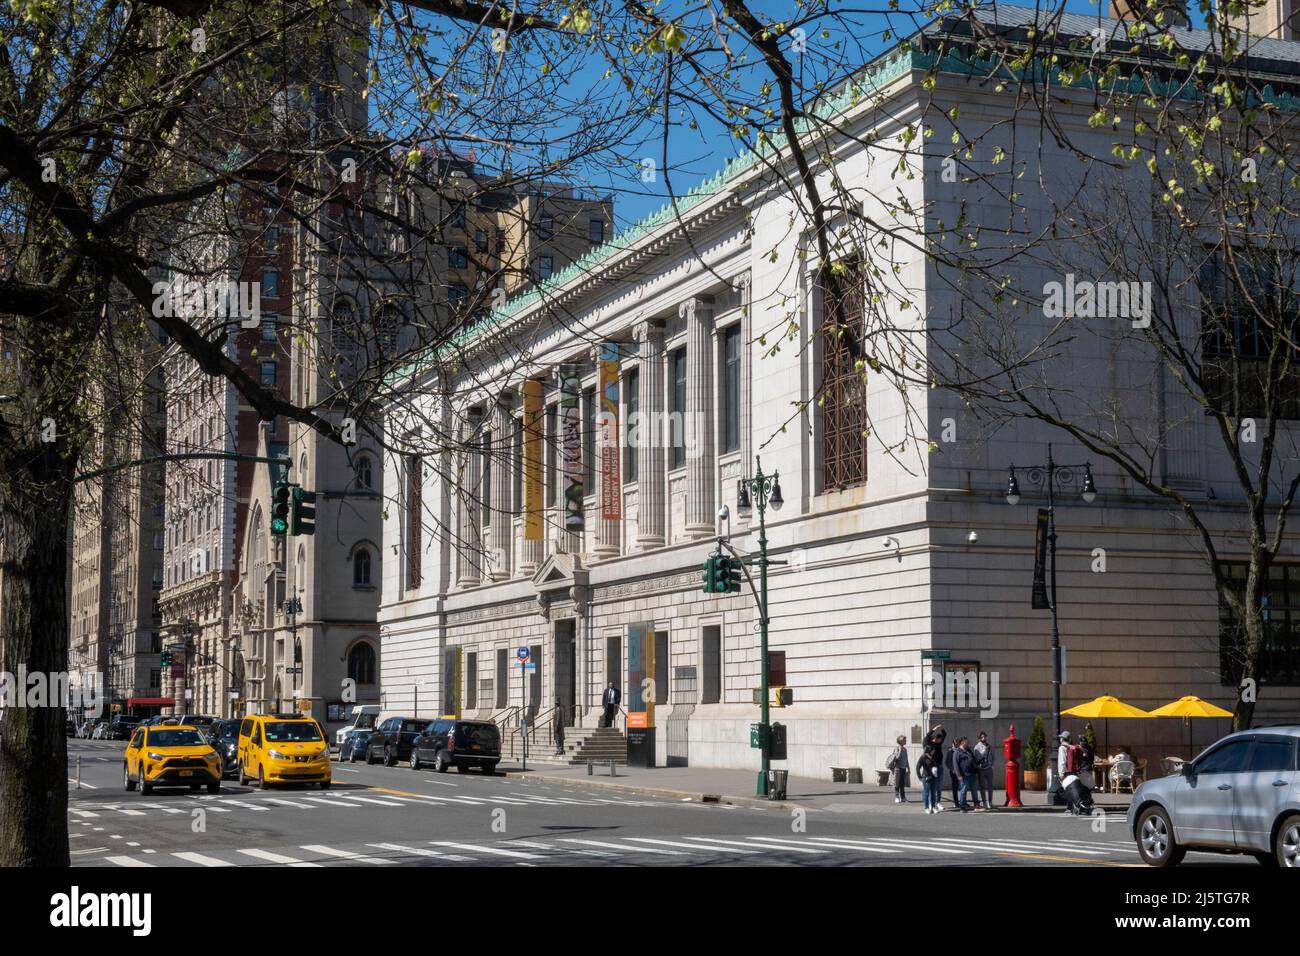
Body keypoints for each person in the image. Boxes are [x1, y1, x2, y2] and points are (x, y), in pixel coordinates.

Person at [923, 724, 947, 809]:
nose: (940, 741)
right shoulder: (930, 744)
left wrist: (942, 729)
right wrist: (934, 729)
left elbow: (945, 735)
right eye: (939, 739)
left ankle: (938, 802)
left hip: (939, 766)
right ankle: (930, 803)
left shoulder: (939, 744)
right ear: (935, 739)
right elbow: (927, 737)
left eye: (941, 739)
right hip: (932, 768)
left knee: (939, 785)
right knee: (933, 786)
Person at [973, 730, 995, 811]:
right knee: (982, 787)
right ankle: (984, 802)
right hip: (981, 769)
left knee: (990, 786)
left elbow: (993, 757)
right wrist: (984, 751)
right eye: (982, 737)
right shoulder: (976, 747)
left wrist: (992, 766)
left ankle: (990, 802)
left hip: (989, 769)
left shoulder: (990, 746)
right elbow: (977, 759)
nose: (984, 738)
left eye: (985, 736)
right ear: (979, 739)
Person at [955, 737, 978, 811]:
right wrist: (959, 775)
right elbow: (955, 765)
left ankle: (976, 804)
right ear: (962, 742)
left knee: (974, 790)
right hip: (964, 775)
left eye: (968, 742)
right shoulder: (957, 752)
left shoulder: (968, 750)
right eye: (966, 742)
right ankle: (962, 806)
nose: (968, 743)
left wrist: (976, 769)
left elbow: (973, 760)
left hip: (972, 774)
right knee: (963, 791)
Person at [917, 744, 941, 813]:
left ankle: (933, 807)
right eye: (933, 750)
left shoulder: (933, 757)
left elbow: (936, 766)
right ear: (929, 750)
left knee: (933, 793)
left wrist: (937, 775)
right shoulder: (923, 757)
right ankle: (926, 807)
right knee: (926, 793)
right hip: (926, 777)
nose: (934, 751)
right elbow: (917, 767)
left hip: (934, 777)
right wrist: (920, 777)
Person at [886, 735, 910, 803]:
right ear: (900, 741)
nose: (905, 741)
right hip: (897, 768)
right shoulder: (896, 749)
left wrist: (908, 767)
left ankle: (903, 797)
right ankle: (897, 797)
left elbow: (906, 759)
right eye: (904, 740)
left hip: (903, 768)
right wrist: (899, 751)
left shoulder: (905, 749)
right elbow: (897, 758)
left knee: (902, 784)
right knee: (897, 784)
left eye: (905, 739)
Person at [944, 741, 961, 807]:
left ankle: (962, 801)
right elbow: (947, 762)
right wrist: (952, 769)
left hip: (961, 771)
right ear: (952, 744)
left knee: (962, 787)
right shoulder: (950, 752)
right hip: (953, 772)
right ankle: (956, 802)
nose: (956, 744)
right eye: (955, 743)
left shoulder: (960, 750)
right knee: (955, 787)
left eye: (957, 743)